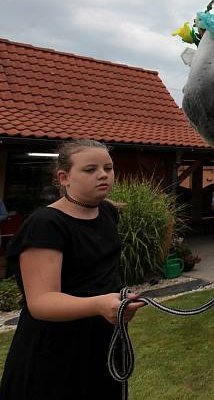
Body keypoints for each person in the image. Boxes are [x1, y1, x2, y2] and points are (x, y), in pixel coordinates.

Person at [0, 139, 144, 398]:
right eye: (90, 169)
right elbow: (41, 302)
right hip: (55, 351)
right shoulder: (46, 224)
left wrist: (119, 300)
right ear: (64, 177)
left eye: (108, 168)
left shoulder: (108, 212)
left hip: (101, 345)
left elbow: (99, 275)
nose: (103, 175)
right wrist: (100, 305)